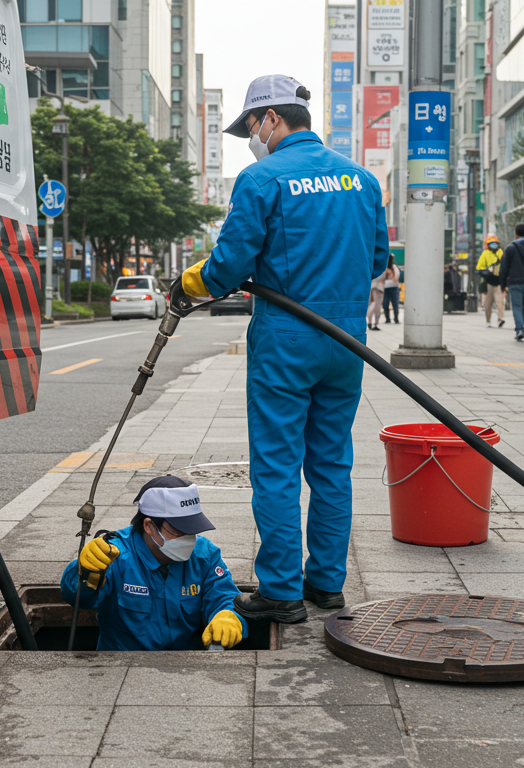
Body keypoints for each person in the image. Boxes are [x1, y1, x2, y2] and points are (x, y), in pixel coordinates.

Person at [180, 74, 388, 623]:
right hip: (346, 341)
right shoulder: (362, 181)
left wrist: (189, 284)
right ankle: (327, 583)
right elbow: (376, 263)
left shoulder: (261, 178)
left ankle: (280, 591)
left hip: (284, 340)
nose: (251, 135)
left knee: (276, 465)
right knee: (332, 463)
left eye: (251, 125)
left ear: (270, 118)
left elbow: (227, 268)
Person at [60, 475, 248, 651]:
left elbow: (224, 596)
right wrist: (83, 571)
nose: (188, 539)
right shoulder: (114, 555)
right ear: (149, 526)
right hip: (119, 667)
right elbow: (78, 598)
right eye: (179, 530)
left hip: (187, 668)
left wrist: (229, 615)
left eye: (192, 530)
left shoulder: (204, 555)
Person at [476, 235, 505, 328]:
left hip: (498, 281)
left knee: (500, 301)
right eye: (491, 244)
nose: (493, 245)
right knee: (487, 303)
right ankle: (488, 320)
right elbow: (479, 268)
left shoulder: (501, 253)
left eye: (495, 243)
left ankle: (501, 318)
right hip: (488, 281)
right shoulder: (485, 254)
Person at [381, 255, 401, 323]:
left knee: (393, 304)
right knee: (387, 304)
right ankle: (389, 319)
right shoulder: (386, 268)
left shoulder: (393, 267)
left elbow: (395, 278)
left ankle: (394, 318)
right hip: (387, 288)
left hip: (393, 288)